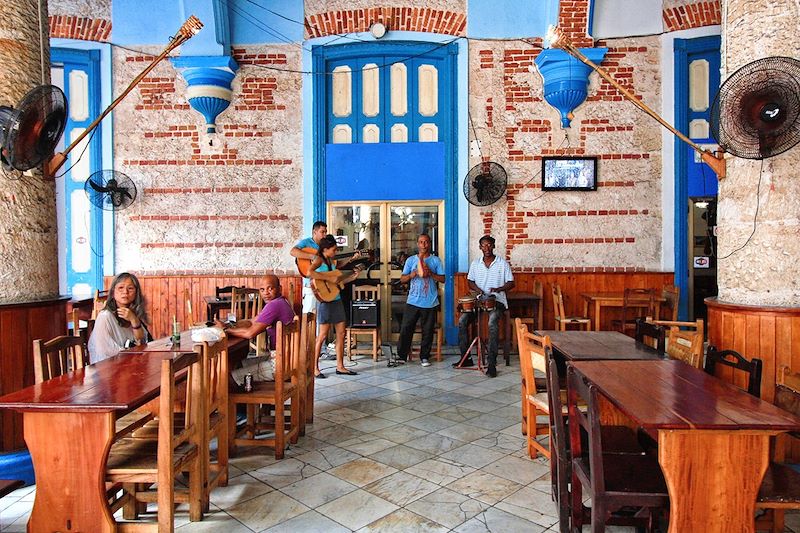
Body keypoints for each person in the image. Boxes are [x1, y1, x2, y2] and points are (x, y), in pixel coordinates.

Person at [218, 274, 295, 384]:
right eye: (262, 289)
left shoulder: (274, 305)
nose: (266, 293)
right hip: (287, 358)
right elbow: (251, 321)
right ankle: (246, 398)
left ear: (280, 289)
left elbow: (250, 333)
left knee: (229, 378)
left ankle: (244, 398)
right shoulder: (282, 302)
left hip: (280, 363)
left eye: (270, 288)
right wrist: (230, 325)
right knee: (237, 364)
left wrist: (226, 330)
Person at [457, 235, 515, 377]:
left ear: (494, 246)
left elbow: (511, 283)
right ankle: (466, 359)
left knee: (492, 323)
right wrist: (478, 290)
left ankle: (491, 364)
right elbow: (470, 281)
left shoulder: (502, 263)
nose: (487, 248)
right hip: (479, 300)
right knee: (462, 321)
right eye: (484, 245)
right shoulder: (475, 264)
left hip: (498, 301)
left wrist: (499, 289)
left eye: (489, 245)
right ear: (480, 247)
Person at [309, 235, 360, 378]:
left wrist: (352, 277)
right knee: (323, 335)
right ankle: (314, 367)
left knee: (341, 333)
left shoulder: (331, 261)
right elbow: (309, 273)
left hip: (336, 298)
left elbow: (337, 280)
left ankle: (340, 366)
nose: (335, 252)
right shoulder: (318, 259)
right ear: (325, 249)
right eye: (334, 249)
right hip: (325, 301)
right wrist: (327, 277)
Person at [396, 234, 445, 367]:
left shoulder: (435, 260)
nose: (423, 244)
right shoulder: (411, 260)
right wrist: (413, 274)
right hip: (413, 300)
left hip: (430, 301)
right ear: (417, 244)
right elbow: (402, 279)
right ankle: (401, 356)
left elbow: (443, 279)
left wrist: (431, 274)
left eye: (426, 242)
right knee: (406, 328)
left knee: (428, 330)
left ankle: (424, 357)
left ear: (429, 244)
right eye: (421, 242)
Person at [88, 272, 149, 364]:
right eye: (121, 288)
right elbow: (105, 350)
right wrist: (131, 354)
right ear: (113, 292)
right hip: (107, 368)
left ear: (136, 293)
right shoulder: (105, 316)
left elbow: (142, 341)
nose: (125, 292)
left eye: (130, 288)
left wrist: (134, 320)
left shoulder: (133, 313)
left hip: (129, 364)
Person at [290, 220, 329, 315]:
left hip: (324, 285)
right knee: (308, 316)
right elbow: (293, 252)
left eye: (325, 232)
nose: (324, 235)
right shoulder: (306, 242)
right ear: (314, 232)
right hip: (310, 286)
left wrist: (351, 259)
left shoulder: (326, 246)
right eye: (322, 232)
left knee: (323, 316)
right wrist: (313, 257)